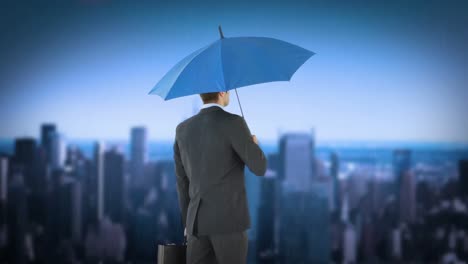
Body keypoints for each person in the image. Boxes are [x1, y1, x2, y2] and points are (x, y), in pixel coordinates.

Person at [173, 90, 267, 264]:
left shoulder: (182, 130)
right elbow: (260, 167)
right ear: (222, 93)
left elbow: (182, 182)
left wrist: (189, 225)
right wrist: (254, 145)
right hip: (229, 223)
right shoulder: (234, 123)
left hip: (196, 224)